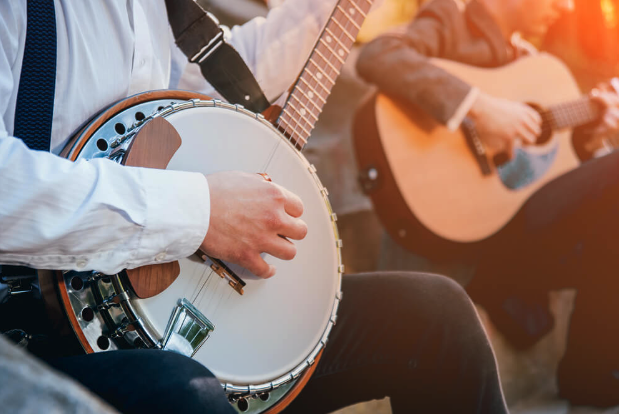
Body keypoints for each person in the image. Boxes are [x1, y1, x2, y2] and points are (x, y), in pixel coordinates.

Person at [0, 1, 508, 413]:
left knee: (433, 317)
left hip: (162, 298)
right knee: (185, 391)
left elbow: (221, 83)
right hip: (29, 335)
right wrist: (203, 213)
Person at [356, 0, 619, 405]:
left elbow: (550, 167)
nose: (566, 7)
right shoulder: (450, 18)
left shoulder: (529, 62)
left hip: (517, 232)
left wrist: (591, 132)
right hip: (455, 229)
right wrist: (480, 106)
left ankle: (593, 376)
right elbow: (378, 56)